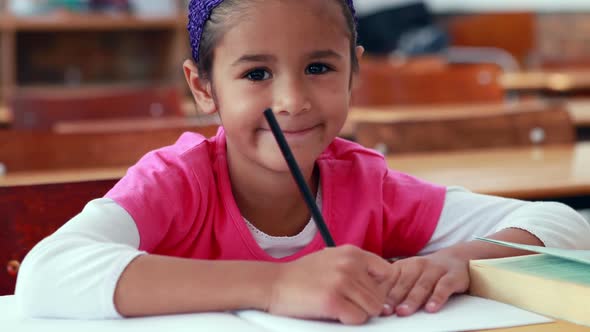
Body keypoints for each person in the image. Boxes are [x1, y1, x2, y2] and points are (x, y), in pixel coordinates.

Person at [15, 0, 590, 325]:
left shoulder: (368, 183)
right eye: (256, 74)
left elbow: (565, 225)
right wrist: (275, 284)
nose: (292, 101)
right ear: (203, 86)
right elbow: (45, 276)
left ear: (353, 72)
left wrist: (455, 261)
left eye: (319, 67)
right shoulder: (178, 182)